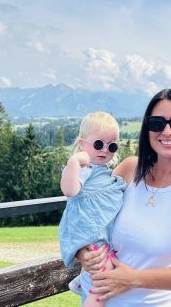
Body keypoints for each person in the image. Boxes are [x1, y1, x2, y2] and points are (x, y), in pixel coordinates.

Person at [77, 88, 171, 306]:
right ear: (147, 129)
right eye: (156, 123)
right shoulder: (129, 169)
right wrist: (80, 252)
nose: (167, 130)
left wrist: (132, 279)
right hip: (91, 298)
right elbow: (88, 215)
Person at [58, 111, 126, 307]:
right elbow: (70, 191)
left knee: (105, 267)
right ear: (81, 144)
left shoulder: (106, 173)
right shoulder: (83, 170)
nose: (104, 150)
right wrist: (73, 163)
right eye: (98, 144)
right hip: (90, 232)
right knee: (101, 287)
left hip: (100, 236)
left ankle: (83, 281)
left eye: (111, 146)